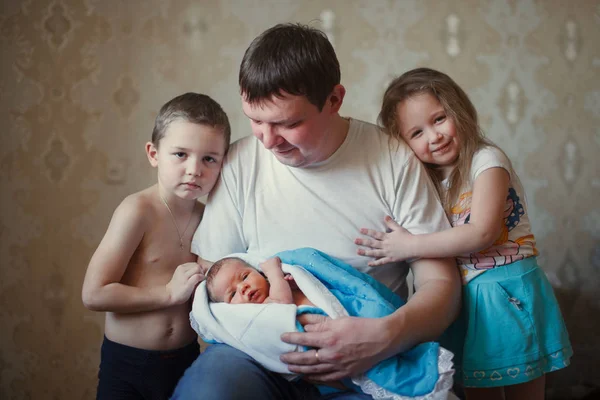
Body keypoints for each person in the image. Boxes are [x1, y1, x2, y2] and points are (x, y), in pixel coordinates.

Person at [172, 23, 461, 400]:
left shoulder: (392, 160)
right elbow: (212, 292)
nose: (269, 140)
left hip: (369, 357)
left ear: (334, 100)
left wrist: (385, 336)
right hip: (261, 358)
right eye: (256, 120)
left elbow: (441, 284)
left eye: (289, 123)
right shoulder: (241, 161)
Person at [355, 67, 572, 400]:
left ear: (459, 111)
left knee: (523, 389)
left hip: (505, 289)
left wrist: (409, 245)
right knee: (474, 389)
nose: (434, 136)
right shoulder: (429, 180)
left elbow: (482, 232)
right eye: (417, 133)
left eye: (439, 119)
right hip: (466, 297)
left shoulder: (487, 160)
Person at [81, 92, 230, 400]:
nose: (194, 169)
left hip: (185, 358)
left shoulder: (210, 218)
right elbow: (94, 294)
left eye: (209, 158)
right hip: (128, 363)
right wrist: (167, 294)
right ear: (153, 153)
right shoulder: (138, 211)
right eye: (180, 154)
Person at [206, 256, 313, 306]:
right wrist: (274, 272)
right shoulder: (262, 308)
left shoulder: (277, 286)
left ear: (259, 272)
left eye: (244, 277)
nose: (242, 287)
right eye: (233, 294)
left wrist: (295, 286)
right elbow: (282, 303)